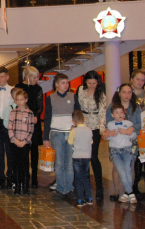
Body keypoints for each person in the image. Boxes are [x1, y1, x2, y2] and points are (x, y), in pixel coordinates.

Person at [43, 73, 80, 200]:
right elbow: (47, 118)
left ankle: (69, 188)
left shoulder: (73, 97)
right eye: (63, 83)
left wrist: (77, 130)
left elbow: (78, 115)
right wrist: (46, 138)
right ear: (57, 84)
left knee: (69, 163)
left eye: (67, 82)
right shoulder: (50, 98)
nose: (66, 85)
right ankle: (60, 188)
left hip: (70, 133)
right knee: (59, 163)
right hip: (56, 133)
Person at [105, 86, 141, 201]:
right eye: (124, 92)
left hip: (131, 140)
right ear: (119, 93)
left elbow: (140, 123)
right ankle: (116, 190)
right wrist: (109, 132)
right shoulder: (112, 106)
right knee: (116, 166)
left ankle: (128, 190)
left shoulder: (136, 106)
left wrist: (132, 128)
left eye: (129, 92)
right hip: (116, 141)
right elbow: (107, 123)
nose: (126, 95)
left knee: (130, 166)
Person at [76, 70, 107, 198]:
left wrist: (102, 128)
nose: (92, 85)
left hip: (94, 126)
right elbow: (77, 107)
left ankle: (99, 185)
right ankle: (85, 184)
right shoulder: (80, 90)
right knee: (83, 156)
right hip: (83, 125)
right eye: (89, 83)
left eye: (94, 83)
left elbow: (102, 112)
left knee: (93, 156)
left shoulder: (101, 93)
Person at [15, 66, 44, 189]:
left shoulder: (38, 88)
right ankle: (23, 175)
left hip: (33, 122)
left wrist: (36, 115)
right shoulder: (19, 87)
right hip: (21, 122)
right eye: (33, 77)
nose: (36, 79)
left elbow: (39, 105)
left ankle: (35, 176)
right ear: (26, 77)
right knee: (23, 150)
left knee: (34, 150)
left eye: (37, 77)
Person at [8, 89, 35, 196]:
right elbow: (10, 127)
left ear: (26, 100)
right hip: (15, 142)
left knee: (25, 165)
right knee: (16, 165)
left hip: (25, 143)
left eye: (21, 100)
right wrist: (14, 140)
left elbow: (31, 129)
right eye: (17, 100)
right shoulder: (13, 112)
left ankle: (25, 186)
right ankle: (17, 186)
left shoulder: (30, 113)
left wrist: (25, 141)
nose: (19, 102)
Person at [69, 111, 93, 206]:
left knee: (78, 178)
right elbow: (91, 141)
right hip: (87, 156)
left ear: (73, 121)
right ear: (84, 119)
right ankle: (89, 197)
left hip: (77, 156)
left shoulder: (74, 131)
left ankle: (80, 199)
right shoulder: (89, 130)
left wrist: (71, 131)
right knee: (86, 177)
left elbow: (70, 142)